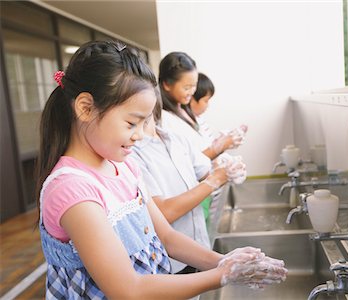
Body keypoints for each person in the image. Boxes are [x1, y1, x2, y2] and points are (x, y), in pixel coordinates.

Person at [36, 40, 287, 299]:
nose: (140, 135)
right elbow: (128, 290)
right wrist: (221, 275)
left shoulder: (124, 166)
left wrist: (222, 261)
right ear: (86, 108)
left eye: (145, 123)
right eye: (132, 123)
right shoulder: (71, 189)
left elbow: (165, 236)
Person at [130, 97, 246, 274]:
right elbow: (163, 212)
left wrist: (225, 166)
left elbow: (204, 170)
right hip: (172, 261)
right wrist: (215, 180)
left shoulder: (175, 139)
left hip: (198, 245)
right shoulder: (132, 154)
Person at [158, 52, 246, 160]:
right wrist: (219, 147)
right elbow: (187, 163)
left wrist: (223, 142)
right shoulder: (165, 120)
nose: (192, 92)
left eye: (194, 85)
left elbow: (199, 148)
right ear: (167, 84)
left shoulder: (184, 109)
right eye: (186, 88)